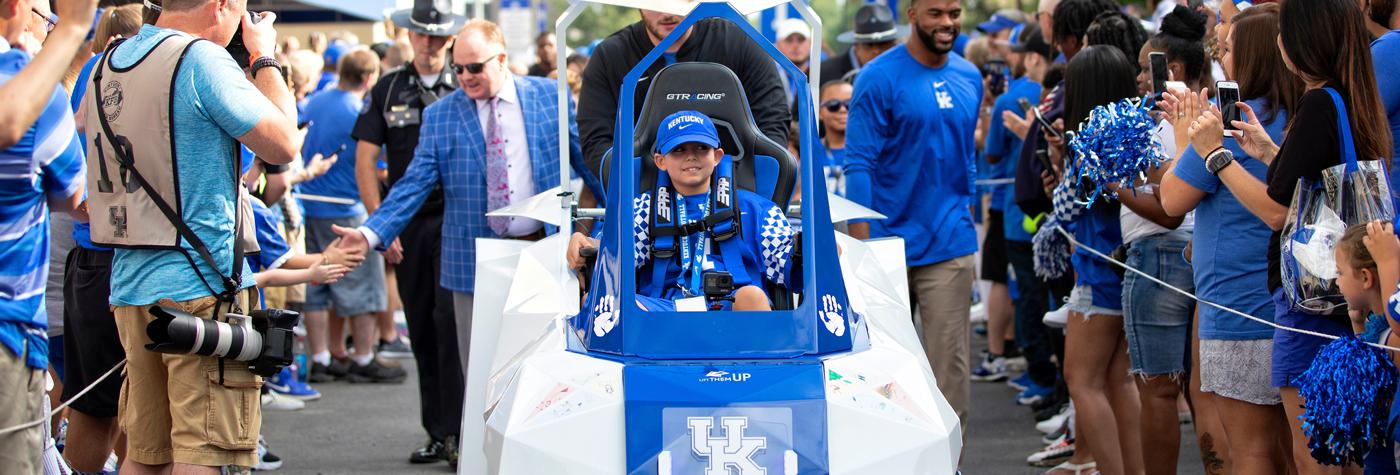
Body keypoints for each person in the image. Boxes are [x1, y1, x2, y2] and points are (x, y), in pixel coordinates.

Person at [334, 18, 575, 468]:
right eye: (459, 69)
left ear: (502, 59)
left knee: (545, 364)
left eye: (474, 68)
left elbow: (584, 160)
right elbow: (413, 182)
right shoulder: (442, 114)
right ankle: (483, 459)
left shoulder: (548, 98)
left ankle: (539, 457)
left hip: (545, 251)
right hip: (473, 261)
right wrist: (371, 232)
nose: (464, 78)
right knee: (478, 369)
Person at [88, 0, 301, 471]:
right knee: (203, 452)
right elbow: (285, 142)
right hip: (200, 285)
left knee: (145, 453)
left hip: (130, 282)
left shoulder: (108, 61)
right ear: (222, 5)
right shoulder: (200, 58)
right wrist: (264, 56)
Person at [1184, 0, 1392, 471]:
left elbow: (1277, 211)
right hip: (1348, 295)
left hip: (1310, 302)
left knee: (1313, 448)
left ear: (1301, 43)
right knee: (1345, 437)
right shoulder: (1349, 95)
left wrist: (1215, 155)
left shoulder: (1318, 103)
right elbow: (1317, 177)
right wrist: (1268, 150)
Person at [1160, 4, 1301, 474]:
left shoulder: (1230, 122)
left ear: (1258, 56)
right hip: (1291, 303)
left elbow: (1172, 200)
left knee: (1251, 450)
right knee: (1288, 449)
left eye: (1229, 49)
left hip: (1238, 304)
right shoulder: (1298, 116)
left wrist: (1185, 135)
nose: (1221, 57)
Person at [844, 0, 981, 433]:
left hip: (949, 246)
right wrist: (864, 252)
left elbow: (966, 159)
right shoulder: (877, 77)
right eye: (936, 13)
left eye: (954, 13)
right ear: (912, 13)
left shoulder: (969, 76)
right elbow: (859, 165)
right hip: (887, 247)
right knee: (886, 373)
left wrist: (966, 212)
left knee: (950, 372)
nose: (947, 23)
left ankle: (950, 460)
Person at [350, 0, 466, 465]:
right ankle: (437, 431)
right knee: (419, 323)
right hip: (410, 222)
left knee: (452, 324)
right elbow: (365, 161)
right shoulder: (388, 88)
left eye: (438, 36)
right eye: (422, 35)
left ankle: (461, 431)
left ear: (450, 39)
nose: (430, 43)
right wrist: (382, 226)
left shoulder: (466, 82)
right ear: (409, 37)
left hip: (458, 217)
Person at [566, 110, 798, 312]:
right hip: (665, 310)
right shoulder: (642, 209)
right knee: (610, 303)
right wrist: (584, 241)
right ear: (660, 161)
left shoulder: (757, 209)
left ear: (717, 156)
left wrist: (809, 248)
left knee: (752, 297)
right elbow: (614, 257)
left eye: (701, 147)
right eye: (678, 150)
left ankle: (757, 364)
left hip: (732, 306)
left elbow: (790, 266)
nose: (691, 156)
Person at [577, 7, 788, 207]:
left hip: (734, 191)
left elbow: (773, 122)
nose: (668, 11)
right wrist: (640, 193)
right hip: (645, 196)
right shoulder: (610, 55)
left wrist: (748, 193)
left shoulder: (738, 43)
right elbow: (597, 141)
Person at [0, 1, 89, 472]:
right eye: (44, 14)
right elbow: (75, 198)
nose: (46, 25)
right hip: (8, 326)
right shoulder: (27, 86)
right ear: (17, 7)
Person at [1050, 45, 1145, 475]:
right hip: (1131, 267)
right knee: (1118, 381)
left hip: (1098, 273)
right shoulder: (1138, 130)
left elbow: (1066, 208)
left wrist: (1060, 165)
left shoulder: (1091, 139)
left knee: (1082, 381)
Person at [298, 47, 404, 386]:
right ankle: (362, 355)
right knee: (361, 285)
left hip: (309, 204)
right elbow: (376, 163)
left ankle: (322, 357)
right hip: (347, 208)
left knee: (316, 282)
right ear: (370, 78)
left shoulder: (315, 100)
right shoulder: (358, 111)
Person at [986, 23, 1055, 407]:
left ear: (1030, 57)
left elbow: (991, 152)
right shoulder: (1062, 90)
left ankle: (1042, 375)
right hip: (1052, 213)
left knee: (1029, 295)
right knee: (1047, 295)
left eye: (1015, 52)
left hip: (1018, 213)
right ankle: (1047, 375)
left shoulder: (1008, 99)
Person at [820, 3, 904, 86]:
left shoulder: (906, 73)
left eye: (884, 44)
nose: (876, 51)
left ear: (895, 45)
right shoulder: (823, 75)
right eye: (869, 44)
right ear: (856, 46)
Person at [817, 80, 850, 197]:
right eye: (833, 105)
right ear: (820, 112)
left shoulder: (872, 151)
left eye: (850, 104)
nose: (843, 110)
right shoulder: (808, 152)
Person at [773, 18, 810, 109]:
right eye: (789, 40)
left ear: (810, 43)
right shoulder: (768, 75)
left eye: (801, 40)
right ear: (778, 44)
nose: (795, 45)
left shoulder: (820, 74)